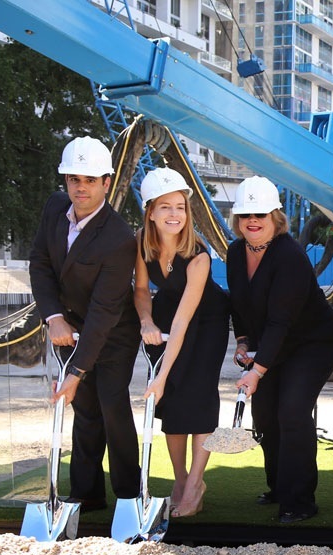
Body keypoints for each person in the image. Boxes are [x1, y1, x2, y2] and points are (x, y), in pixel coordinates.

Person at [28, 136, 140, 511]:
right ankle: (86, 494)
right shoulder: (54, 208)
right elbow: (41, 262)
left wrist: (75, 374)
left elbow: (104, 313)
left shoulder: (119, 238)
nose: (80, 187)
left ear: (106, 182)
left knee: (110, 403)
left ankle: (129, 494)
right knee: (85, 410)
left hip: (112, 333)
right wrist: (54, 316)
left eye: (90, 180)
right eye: (74, 178)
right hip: (70, 326)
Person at [226, 176, 333, 524]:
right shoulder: (235, 252)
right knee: (264, 415)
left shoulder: (289, 255)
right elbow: (239, 302)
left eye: (261, 213)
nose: (253, 221)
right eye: (246, 214)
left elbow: (280, 321)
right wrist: (244, 341)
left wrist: (257, 371)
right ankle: (279, 487)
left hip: (311, 342)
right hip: (273, 342)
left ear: (276, 217)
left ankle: (300, 501)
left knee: (292, 411)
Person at [133, 167, 230, 518]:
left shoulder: (199, 255)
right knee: (172, 399)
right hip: (165, 313)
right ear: (151, 212)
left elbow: (184, 320)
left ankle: (195, 484)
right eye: (166, 207)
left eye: (180, 207)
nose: (175, 214)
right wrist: (145, 320)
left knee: (197, 394)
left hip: (204, 320)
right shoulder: (142, 242)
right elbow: (142, 290)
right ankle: (179, 479)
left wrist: (160, 375)